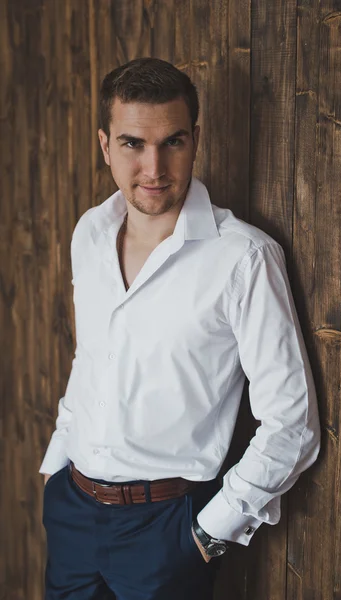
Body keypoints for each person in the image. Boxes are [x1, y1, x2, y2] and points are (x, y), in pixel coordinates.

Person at [39, 56, 321, 600]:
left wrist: (205, 536)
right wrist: (56, 468)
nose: (153, 167)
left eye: (172, 142)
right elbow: (92, 359)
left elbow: (292, 423)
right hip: (71, 514)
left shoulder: (243, 258)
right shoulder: (90, 233)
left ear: (196, 138)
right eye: (132, 144)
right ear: (105, 145)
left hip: (166, 531)